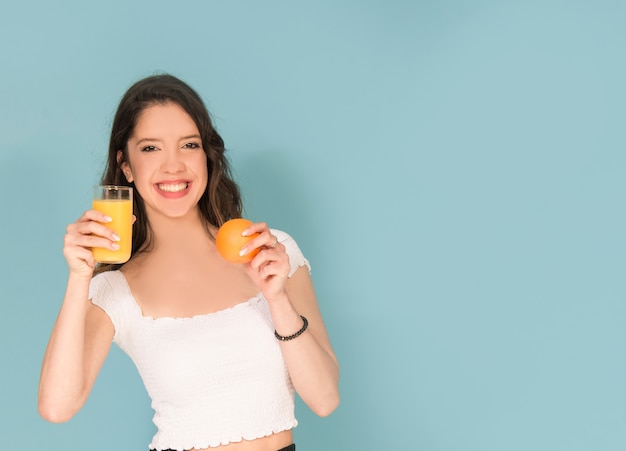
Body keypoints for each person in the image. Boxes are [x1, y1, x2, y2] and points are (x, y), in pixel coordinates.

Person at [38, 74, 340, 451]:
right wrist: (78, 277)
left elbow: (325, 399)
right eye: (150, 148)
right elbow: (56, 406)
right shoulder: (115, 291)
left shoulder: (271, 252)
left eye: (189, 145)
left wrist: (277, 299)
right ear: (126, 165)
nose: (173, 166)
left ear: (207, 155)